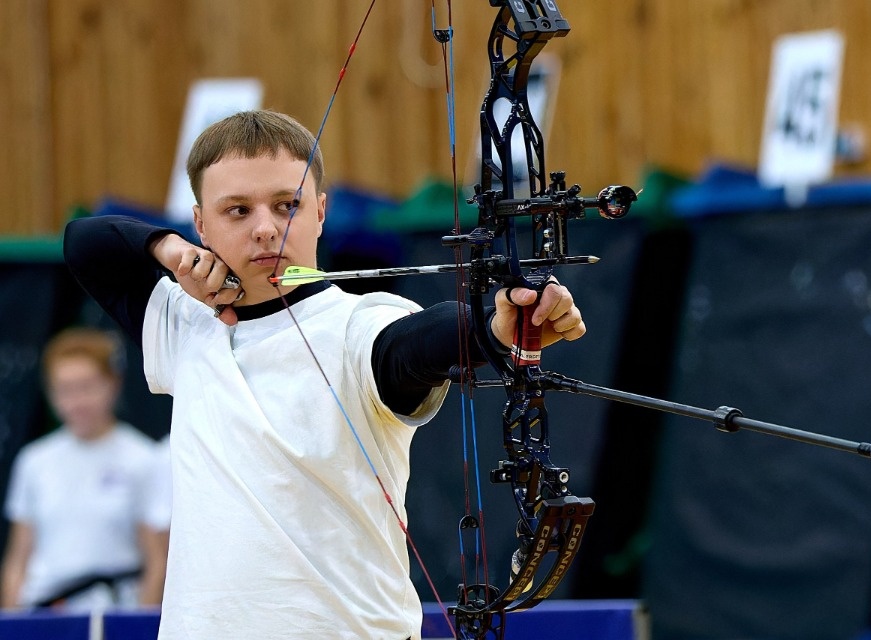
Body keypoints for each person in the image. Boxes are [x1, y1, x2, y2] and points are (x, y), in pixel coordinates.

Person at [62, 110, 585, 639]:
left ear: (320, 211)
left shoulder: (361, 325)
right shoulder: (185, 324)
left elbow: (413, 347)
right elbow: (85, 241)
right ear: (200, 225)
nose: (266, 228)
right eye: (237, 210)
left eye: (287, 205)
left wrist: (492, 328)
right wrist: (169, 249)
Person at [1, 328, 169, 611]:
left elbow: (158, 561)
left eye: (87, 387)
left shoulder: (142, 458)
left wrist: (139, 624)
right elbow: (18, 558)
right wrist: (12, 621)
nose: (77, 402)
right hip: (43, 613)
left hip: (111, 613)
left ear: (113, 384)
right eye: (65, 389)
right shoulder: (34, 461)